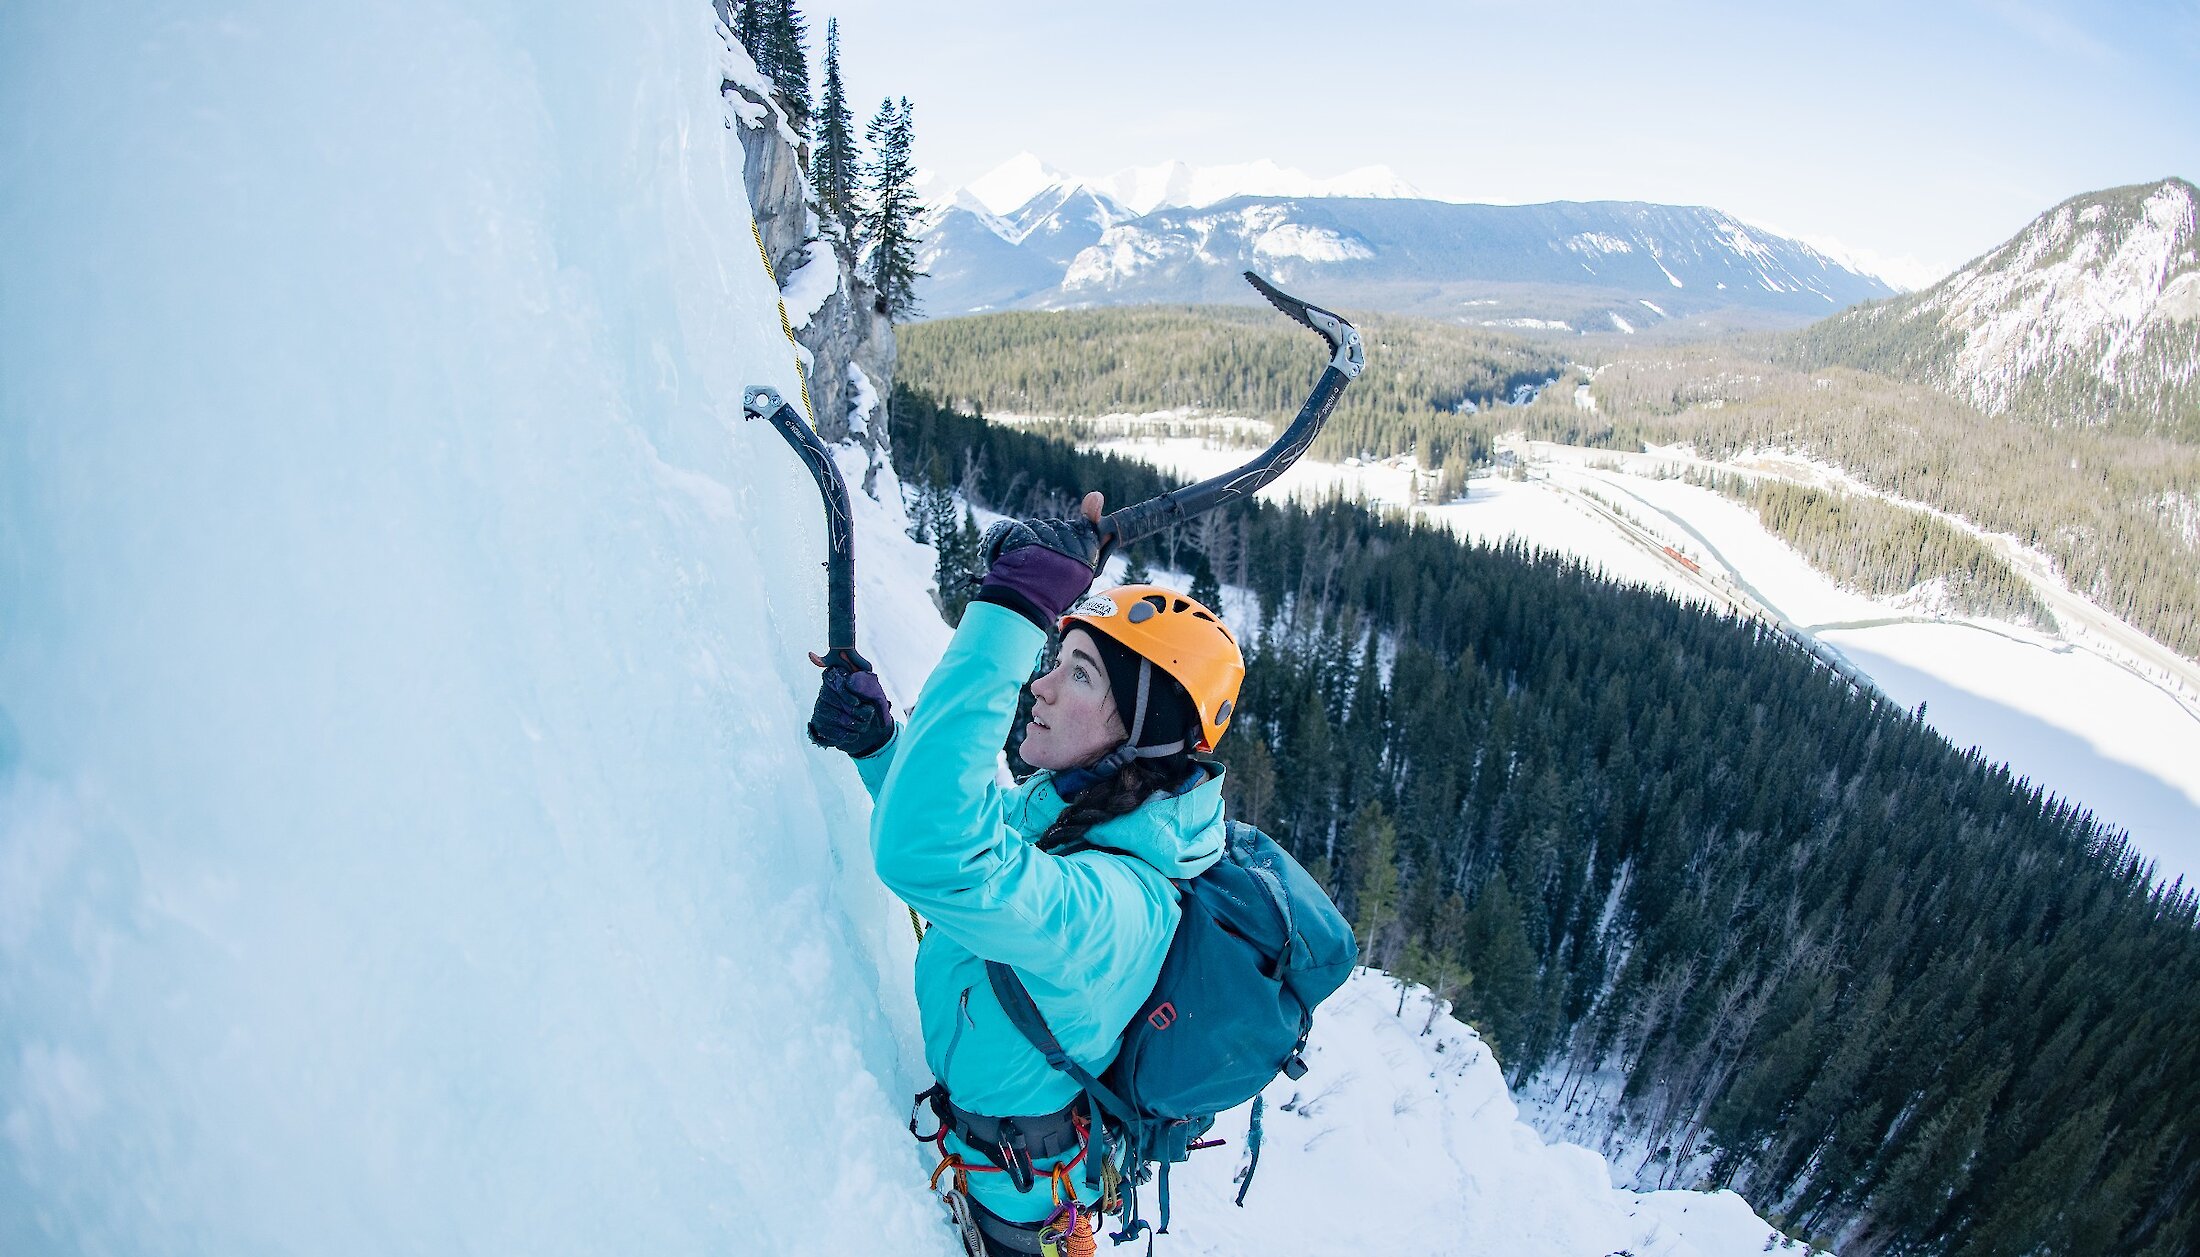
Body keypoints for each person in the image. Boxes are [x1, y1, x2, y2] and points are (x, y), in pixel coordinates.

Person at [806, 491, 1246, 1256]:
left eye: (1078, 674)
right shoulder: (1077, 815)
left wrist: (1015, 605)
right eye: (1054, 662)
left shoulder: (1119, 911)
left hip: (1015, 1214)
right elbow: (977, 838)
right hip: (982, 1157)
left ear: (1140, 736)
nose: (1039, 686)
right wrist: (881, 747)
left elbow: (938, 851)